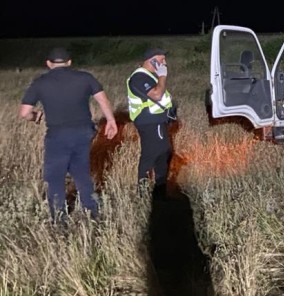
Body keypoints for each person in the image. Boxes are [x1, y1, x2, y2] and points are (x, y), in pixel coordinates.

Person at [18, 47, 118, 221]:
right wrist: (111, 121)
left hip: (57, 136)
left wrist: (36, 116)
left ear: (48, 64)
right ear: (70, 62)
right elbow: (102, 99)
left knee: (56, 177)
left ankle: (59, 220)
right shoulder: (85, 78)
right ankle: (92, 213)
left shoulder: (40, 82)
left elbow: (24, 112)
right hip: (84, 133)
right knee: (82, 174)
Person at [127, 47, 175, 193]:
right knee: (151, 154)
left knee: (162, 152)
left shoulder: (148, 75)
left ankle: (160, 189)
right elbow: (156, 95)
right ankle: (144, 191)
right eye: (161, 60)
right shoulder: (139, 78)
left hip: (156, 122)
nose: (164, 64)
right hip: (149, 123)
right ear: (151, 61)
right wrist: (163, 76)